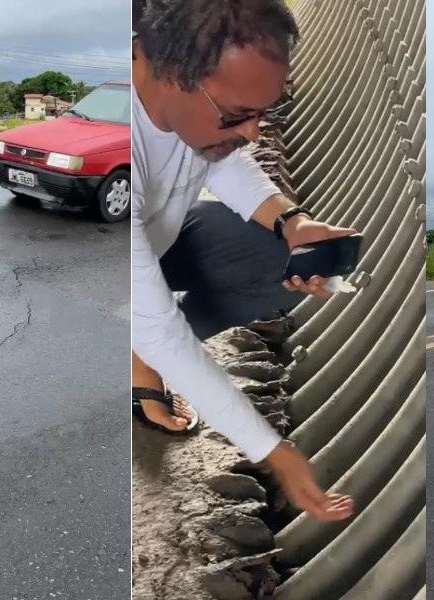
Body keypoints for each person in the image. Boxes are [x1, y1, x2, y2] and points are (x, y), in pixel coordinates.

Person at [131, 0, 355, 523]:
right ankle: (143, 354)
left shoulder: (193, 104)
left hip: (162, 241)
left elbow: (227, 164)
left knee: (282, 260)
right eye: (237, 115)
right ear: (157, 66)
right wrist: (277, 453)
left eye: (263, 114)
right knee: (158, 333)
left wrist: (292, 222)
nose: (253, 132)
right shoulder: (123, 154)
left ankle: (143, 345)